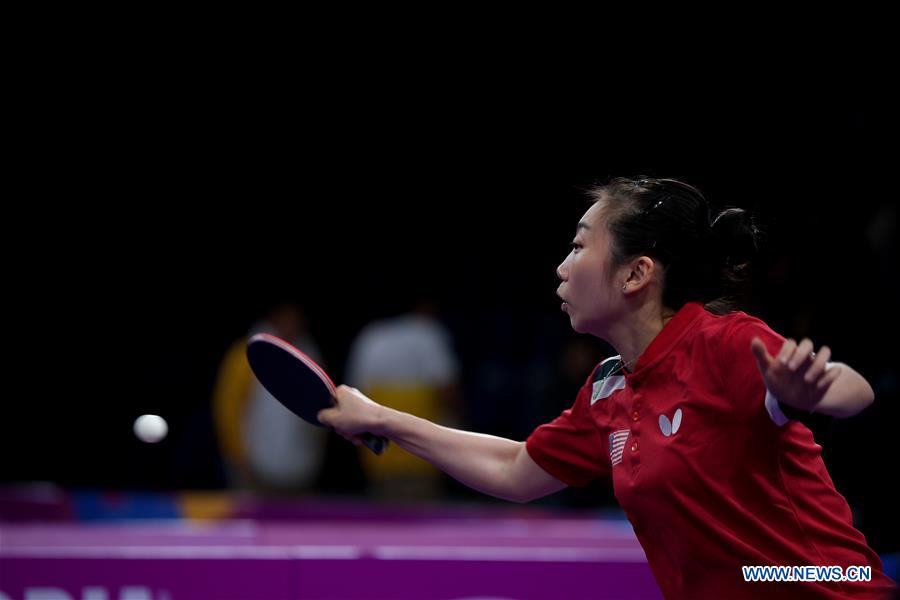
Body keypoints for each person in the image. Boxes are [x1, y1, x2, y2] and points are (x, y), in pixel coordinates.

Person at [316, 177, 897, 599]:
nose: (561, 268)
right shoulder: (609, 389)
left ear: (635, 273)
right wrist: (380, 418)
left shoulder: (723, 343)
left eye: (578, 245)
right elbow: (515, 469)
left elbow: (854, 392)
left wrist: (812, 389)